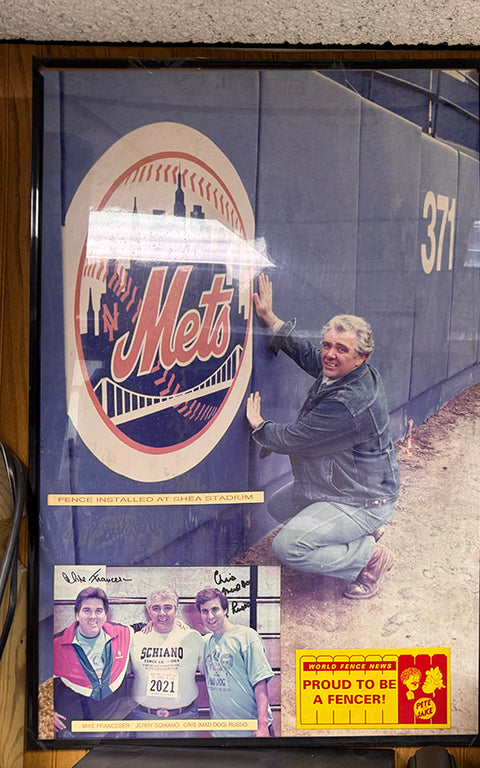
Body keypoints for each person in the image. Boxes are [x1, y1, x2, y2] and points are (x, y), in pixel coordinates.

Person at [247, 274, 399, 600]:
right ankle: (364, 534)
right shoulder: (349, 371)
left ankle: (369, 560)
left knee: (288, 547)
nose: (329, 354)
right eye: (327, 344)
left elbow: (296, 437)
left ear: (361, 357)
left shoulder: (350, 403)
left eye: (341, 349)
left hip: (363, 498)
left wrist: (260, 426)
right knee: (280, 505)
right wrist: (272, 320)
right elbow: (310, 355)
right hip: (347, 484)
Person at [52, 587, 134, 738]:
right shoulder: (56, 643)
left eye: (98, 610)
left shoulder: (124, 633)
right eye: (87, 610)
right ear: (77, 615)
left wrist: (176, 625)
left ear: (105, 615)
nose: (93, 616)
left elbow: (150, 627)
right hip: (73, 728)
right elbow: (29, 678)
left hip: (112, 726)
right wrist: (44, 711)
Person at [196, 588, 273, 737]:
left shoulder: (246, 636)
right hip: (220, 733)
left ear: (225, 610)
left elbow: (260, 682)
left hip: (251, 730)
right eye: (204, 611)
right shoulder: (205, 643)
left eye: (215, 609)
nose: (210, 616)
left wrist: (262, 726)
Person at [128, 587, 204, 736]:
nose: (162, 613)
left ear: (176, 610)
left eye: (168, 608)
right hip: (144, 718)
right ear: (149, 611)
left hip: (184, 719)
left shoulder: (193, 638)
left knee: (186, 760)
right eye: (156, 608)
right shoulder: (135, 638)